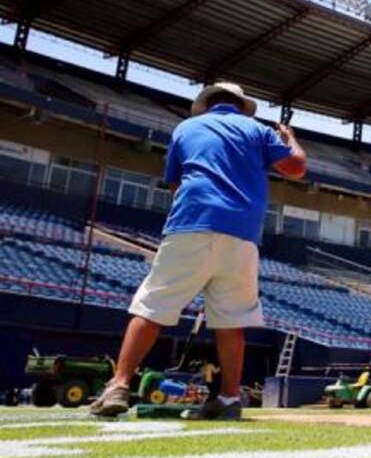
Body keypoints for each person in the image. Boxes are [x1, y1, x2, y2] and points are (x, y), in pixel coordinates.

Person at [90, 82, 306, 419]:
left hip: (190, 223)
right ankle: (230, 399)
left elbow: (175, 183)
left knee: (151, 307)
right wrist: (289, 138)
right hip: (242, 233)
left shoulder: (185, 128)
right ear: (240, 105)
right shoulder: (257, 129)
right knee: (232, 321)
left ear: (207, 104)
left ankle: (119, 385)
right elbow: (296, 168)